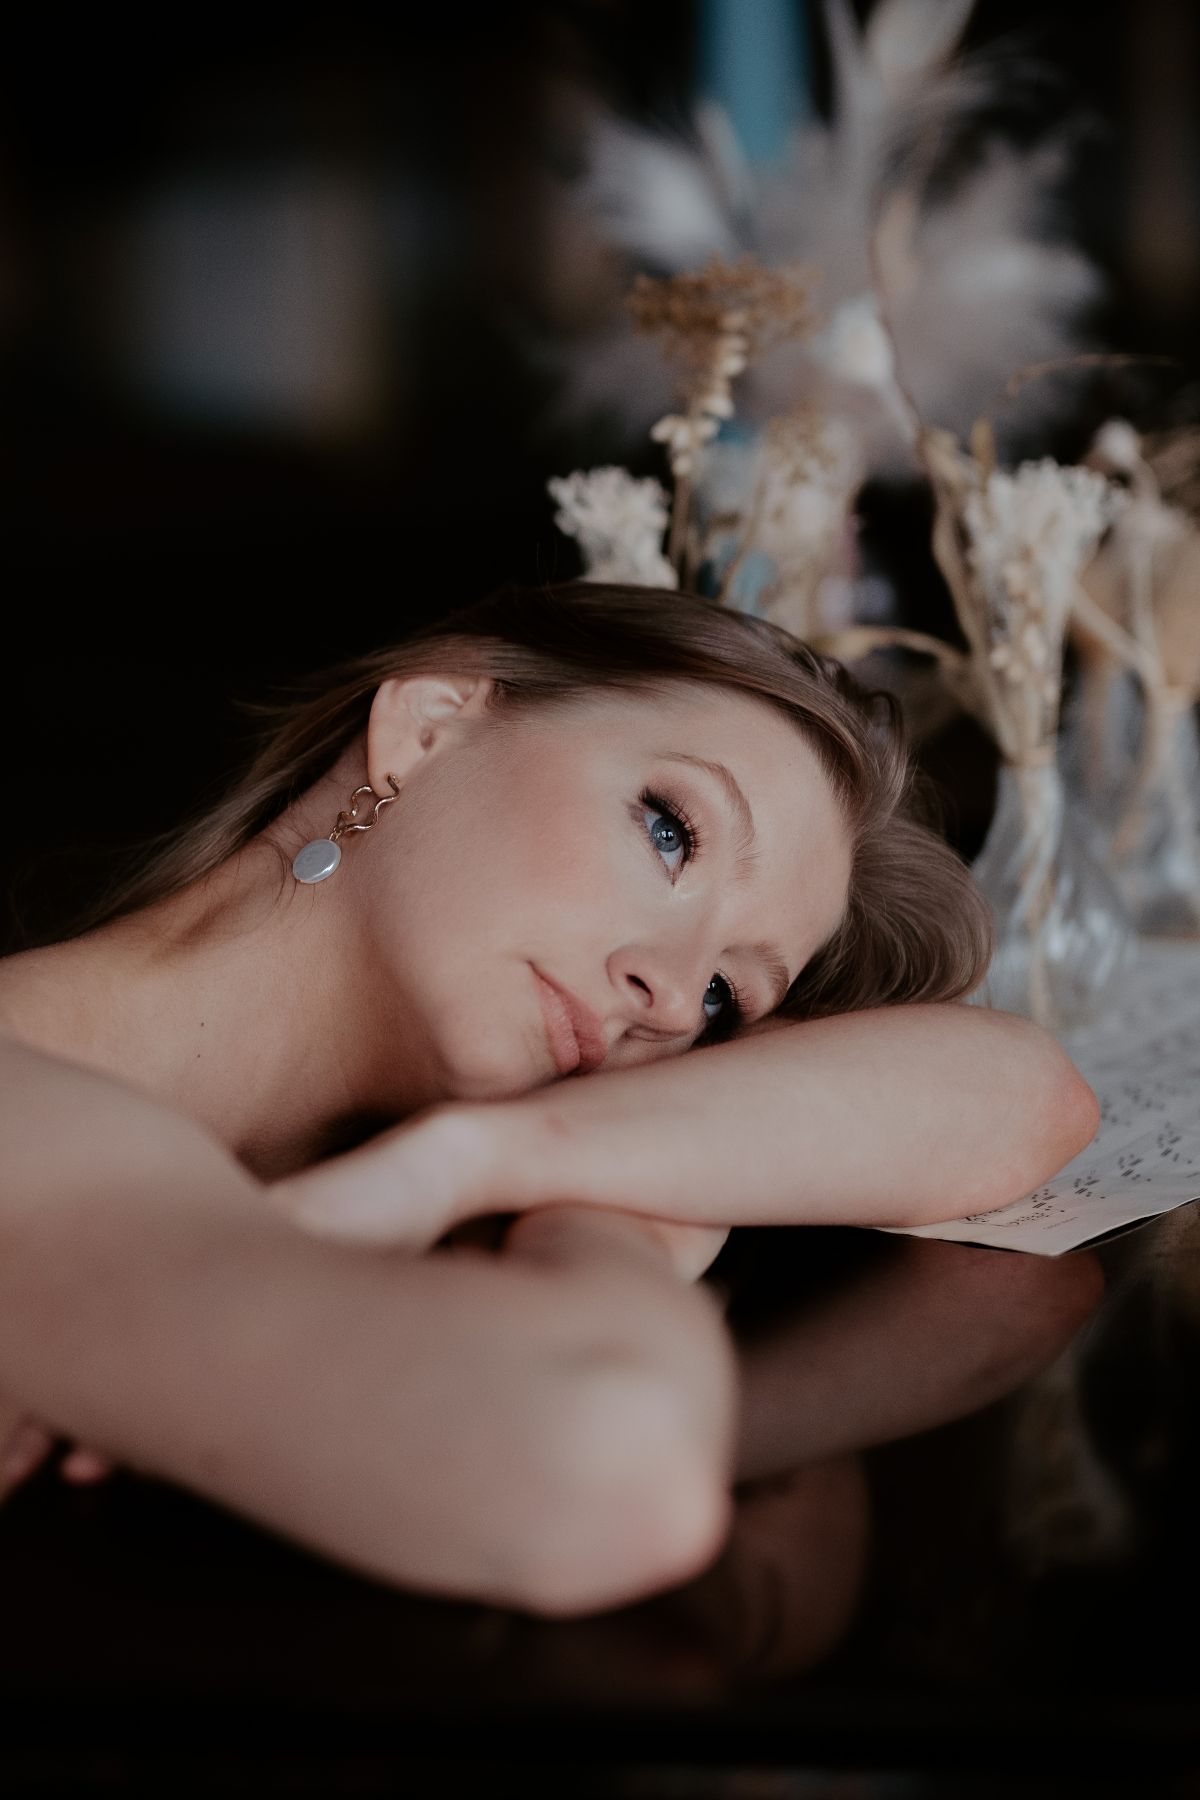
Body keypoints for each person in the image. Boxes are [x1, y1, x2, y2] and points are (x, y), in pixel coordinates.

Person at [0, 581, 1101, 1632]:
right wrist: (644, 1207)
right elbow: (621, 1460)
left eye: (726, 998)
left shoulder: (373, 1185)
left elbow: (1029, 1098)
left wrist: (488, 1159)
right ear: (430, 726)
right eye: (669, 831)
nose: (675, 997)